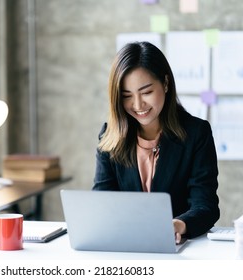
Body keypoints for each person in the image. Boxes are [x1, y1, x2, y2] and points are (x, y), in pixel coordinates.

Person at [93, 41, 220, 243]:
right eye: (127, 96)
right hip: (123, 244)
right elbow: (102, 202)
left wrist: (179, 224)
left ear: (166, 83)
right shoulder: (110, 136)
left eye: (146, 92)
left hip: (177, 246)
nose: (137, 105)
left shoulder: (197, 133)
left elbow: (206, 206)